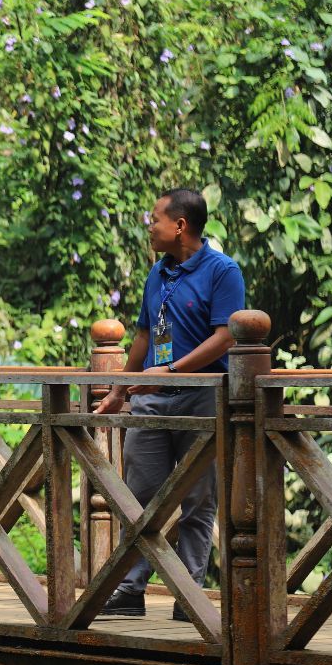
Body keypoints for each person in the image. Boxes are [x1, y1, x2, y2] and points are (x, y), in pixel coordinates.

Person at [96, 188, 246, 619]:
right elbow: (143, 336)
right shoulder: (157, 274)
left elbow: (226, 335)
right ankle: (130, 591)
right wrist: (120, 391)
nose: (150, 226)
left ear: (180, 225)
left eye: (155, 219)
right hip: (152, 401)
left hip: (202, 399)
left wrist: (173, 371)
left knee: (199, 500)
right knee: (137, 497)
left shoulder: (223, 271)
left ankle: (187, 595)